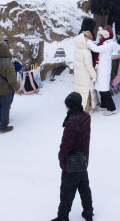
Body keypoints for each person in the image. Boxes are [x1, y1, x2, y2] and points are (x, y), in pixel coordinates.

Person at [51, 93, 93, 221]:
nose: (66, 107)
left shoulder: (71, 122)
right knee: (84, 187)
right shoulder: (86, 117)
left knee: (67, 191)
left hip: (72, 162)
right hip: (82, 159)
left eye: (67, 105)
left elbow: (66, 144)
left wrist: (61, 157)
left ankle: (63, 217)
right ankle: (88, 212)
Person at [0, 41, 20, 133]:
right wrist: (17, 87)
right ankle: (3, 127)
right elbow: (12, 80)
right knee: (5, 108)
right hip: (5, 90)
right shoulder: (8, 64)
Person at [88, 26, 119, 115]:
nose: (100, 37)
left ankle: (111, 108)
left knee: (104, 89)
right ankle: (104, 104)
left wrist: (87, 41)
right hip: (101, 68)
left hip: (104, 70)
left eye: (101, 35)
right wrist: (89, 41)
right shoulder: (104, 42)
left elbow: (96, 48)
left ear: (106, 35)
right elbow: (97, 43)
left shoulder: (109, 45)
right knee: (100, 87)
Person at [73, 20, 98, 113]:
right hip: (85, 76)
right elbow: (89, 66)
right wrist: (94, 76)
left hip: (78, 75)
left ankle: (79, 107)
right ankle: (86, 110)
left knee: (79, 92)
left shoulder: (77, 48)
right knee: (86, 93)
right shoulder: (86, 52)